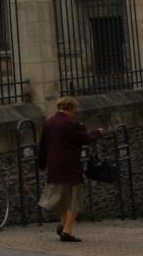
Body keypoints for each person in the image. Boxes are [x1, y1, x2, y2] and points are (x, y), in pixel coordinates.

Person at [37, 95, 102, 242]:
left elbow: (42, 146)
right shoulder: (70, 123)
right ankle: (67, 230)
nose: (75, 112)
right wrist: (97, 133)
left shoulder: (48, 123)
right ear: (70, 107)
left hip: (54, 164)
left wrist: (41, 164)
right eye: (75, 109)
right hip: (70, 165)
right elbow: (84, 138)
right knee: (74, 199)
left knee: (62, 198)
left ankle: (62, 224)